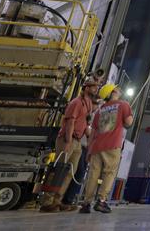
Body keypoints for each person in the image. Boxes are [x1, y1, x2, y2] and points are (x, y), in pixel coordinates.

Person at [41, 81, 97, 212]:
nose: (96, 90)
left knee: (69, 173)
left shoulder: (88, 104)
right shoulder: (76, 103)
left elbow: (85, 124)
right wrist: (67, 141)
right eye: (94, 87)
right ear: (87, 88)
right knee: (59, 169)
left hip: (78, 141)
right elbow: (70, 122)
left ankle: (57, 201)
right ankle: (47, 202)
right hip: (68, 139)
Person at [80, 83, 133, 214]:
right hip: (112, 145)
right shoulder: (124, 104)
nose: (119, 89)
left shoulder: (99, 110)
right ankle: (101, 201)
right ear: (112, 92)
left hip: (97, 146)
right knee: (109, 173)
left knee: (93, 174)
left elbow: (93, 132)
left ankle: (86, 203)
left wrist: (89, 149)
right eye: (116, 88)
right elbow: (128, 123)